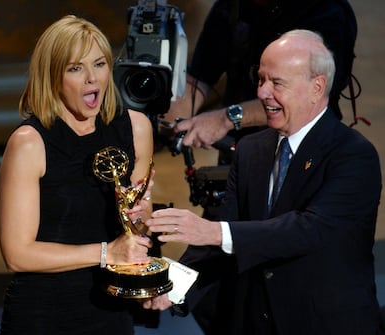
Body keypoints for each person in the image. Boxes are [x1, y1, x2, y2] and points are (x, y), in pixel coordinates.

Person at [145, 30, 382, 334]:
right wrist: (170, 287)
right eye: (260, 79)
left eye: (277, 83)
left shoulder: (352, 155)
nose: (262, 93)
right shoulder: (250, 150)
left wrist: (214, 232)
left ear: (316, 87)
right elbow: (221, 238)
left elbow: (310, 230)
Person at [0, 15, 155, 334]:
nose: (91, 79)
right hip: (44, 315)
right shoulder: (30, 144)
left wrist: (142, 213)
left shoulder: (136, 128)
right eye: (75, 68)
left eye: (99, 64)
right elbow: (17, 254)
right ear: (53, 76)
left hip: (112, 312)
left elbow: (137, 226)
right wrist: (106, 252)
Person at [162, 0, 357, 152]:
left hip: (305, 149)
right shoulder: (231, 7)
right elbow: (199, 78)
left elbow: (304, 99)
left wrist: (225, 119)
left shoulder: (326, 12)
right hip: (240, 149)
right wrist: (172, 120)